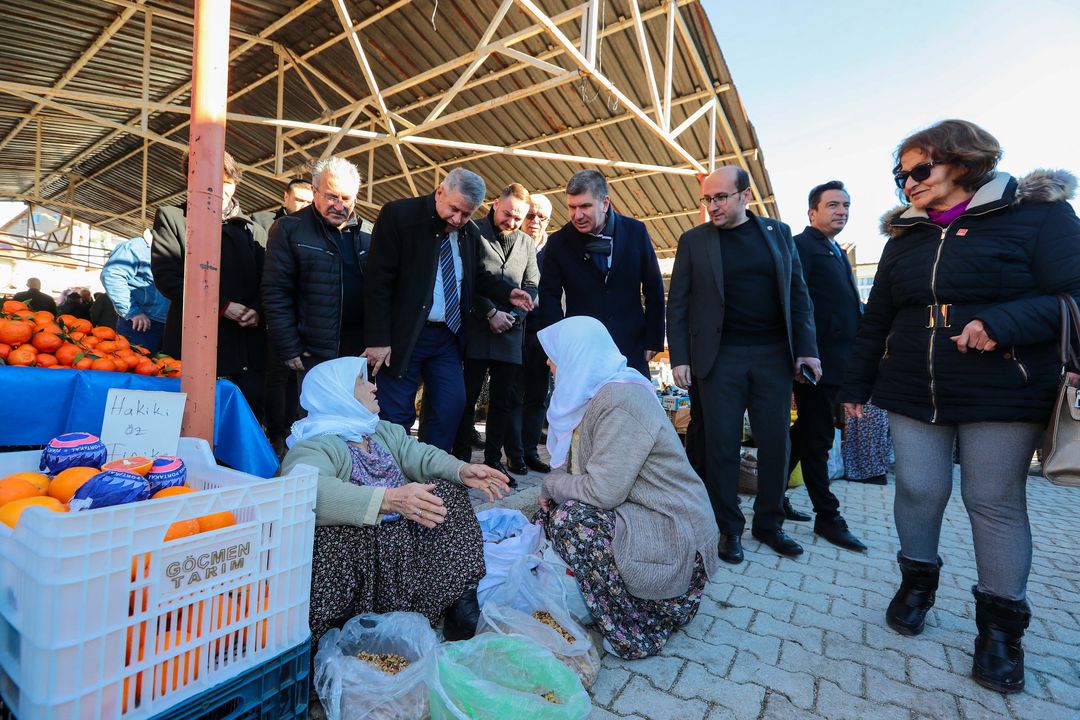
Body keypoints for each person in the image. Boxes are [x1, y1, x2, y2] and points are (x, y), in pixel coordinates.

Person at [839, 119, 1080, 694]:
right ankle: (917, 583)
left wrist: (1002, 321)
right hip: (910, 386)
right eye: (900, 175)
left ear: (963, 162)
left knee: (991, 501)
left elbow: (1073, 296)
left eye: (920, 170)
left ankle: (1001, 632)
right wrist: (853, 386)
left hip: (1003, 385)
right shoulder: (905, 236)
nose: (908, 183)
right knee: (918, 489)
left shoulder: (1039, 215)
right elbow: (877, 320)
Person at [279, 356, 511, 644]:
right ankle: (341, 632)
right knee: (330, 535)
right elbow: (307, 490)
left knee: (448, 491)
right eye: (361, 382)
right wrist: (389, 500)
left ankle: (459, 608)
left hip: (400, 546)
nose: (373, 387)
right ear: (336, 394)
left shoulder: (379, 431)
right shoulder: (315, 444)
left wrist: (462, 470)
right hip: (364, 559)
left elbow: (420, 456)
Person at [535, 316, 719, 659]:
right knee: (551, 512)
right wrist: (554, 487)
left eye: (556, 354)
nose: (548, 362)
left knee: (571, 521)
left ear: (579, 354)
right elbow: (575, 465)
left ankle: (638, 623)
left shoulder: (621, 400)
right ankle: (614, 601)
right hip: (646, 515)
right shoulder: (595, 394)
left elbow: (603, 492)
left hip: (674, 535)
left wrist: (552, 484)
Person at [666, 166, 820, 565]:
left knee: (775, 443)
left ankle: (769, 524)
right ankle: (728, 527)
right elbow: (677, 303)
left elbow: (798, 296)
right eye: (707, 199)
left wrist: (808, 349)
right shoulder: (694, 241)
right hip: (720, 358)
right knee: (721, 445)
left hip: (773, 356)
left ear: (745, 196)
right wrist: (680, 357)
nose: (712, 206)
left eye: (720, 197)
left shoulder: (778, 234)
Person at [363, 168, 534, 452]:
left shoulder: (469, 232)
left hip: (447, 339)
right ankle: (391, 481)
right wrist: (378, 340)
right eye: (454, 209)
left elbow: (476, 275)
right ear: (440, 191)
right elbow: (377, 281)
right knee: (396, 414)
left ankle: (433, 477)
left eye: (466, 214)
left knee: (450, 406)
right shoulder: (399, 216)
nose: (457, 219)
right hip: (405, 336)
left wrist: (508, 292)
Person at [262, 157, 370, 454]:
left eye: (346, 198)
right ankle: (311, 489)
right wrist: (289, 345)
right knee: (314, 426)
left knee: (354, 423)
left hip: (356, 352)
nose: (339, 204)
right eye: (331, 196)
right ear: (315, 191)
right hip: (311, 351)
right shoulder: (289, 229)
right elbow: (275, 291)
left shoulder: (368, 235)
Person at [151, 150, 267, 420]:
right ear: (189, 180)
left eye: (227, 182)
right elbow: (167, 277)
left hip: (245, 343)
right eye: (208, 180)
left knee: (241, 416)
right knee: (190, 417)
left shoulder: (253, 229)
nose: (219, 189)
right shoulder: (172, 218)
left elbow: (268, 280)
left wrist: (257, 310)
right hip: (191, 337)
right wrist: (222, 306)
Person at [785, 181, 867, 552]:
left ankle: (775, 494)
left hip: (839, 363)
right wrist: (801, 355)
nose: (842, 211)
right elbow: (792, 304)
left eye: (846, 205)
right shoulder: (801, 247)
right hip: (814, 363)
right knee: (817, 438)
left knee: (806, 434)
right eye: (833, 205)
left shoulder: (835, 250)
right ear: (811, 212)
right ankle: (827, 516)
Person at [534, 170, 664, 377]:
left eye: (585, 206)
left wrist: (653, 338)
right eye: (572, 207)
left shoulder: (636, 232)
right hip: (581, 350)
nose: (577, 215)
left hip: (630, 345)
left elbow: (654, 287)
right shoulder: (558, 243)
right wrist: (556, 349)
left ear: (605, 203)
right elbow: (549, 298)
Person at [452, 183, 539, 479]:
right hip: (477, 328)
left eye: (518, 218)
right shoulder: (472, 232)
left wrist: (511, 316)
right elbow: (468, 278)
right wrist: (489, 312)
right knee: (467, 398)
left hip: (510, 334)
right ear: (494, 204)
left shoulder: (526, 243)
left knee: (501, 403)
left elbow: (532, 285)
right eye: (508, 214)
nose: (511, 222)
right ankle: (461, 458)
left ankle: (493, 461)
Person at [510, 193, 554, 472]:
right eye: (530, 215)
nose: (535, 221)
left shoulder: (555, 251)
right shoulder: (511, 245)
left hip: (542, 333)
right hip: (512, 330)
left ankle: (529, 452)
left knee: (538, 395)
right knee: (512, 395)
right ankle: (513, 454)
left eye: (542, 217)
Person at [100, 232, 170, 352]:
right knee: (136, 365)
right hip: (142, 324)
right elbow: (112, 275)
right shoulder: (136, 247)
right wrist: (132, 311)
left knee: (166, 367)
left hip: (170, 323)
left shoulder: (175, 250)